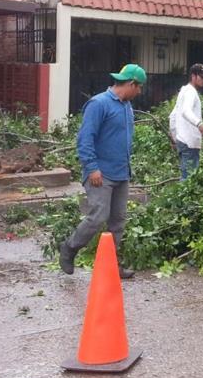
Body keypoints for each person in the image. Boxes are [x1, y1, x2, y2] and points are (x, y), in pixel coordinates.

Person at [59, 63, 145, 279]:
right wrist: (92, 168)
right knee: (98, 217)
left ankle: (111, 267)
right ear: (131, 84)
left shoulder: (126, 106)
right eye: (139, 87)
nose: (140, 92)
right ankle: (70, 248)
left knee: (118, 221)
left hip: (121, 173)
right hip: (101, 174)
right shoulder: (99, 104)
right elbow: (85, 138)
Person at [169, 63, 203, 180]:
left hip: (183, 141)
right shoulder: (191, 92)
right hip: (190, 143)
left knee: (186, 177)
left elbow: (172, 116)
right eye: (201, 77)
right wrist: (200, 124)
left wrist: (174, 137)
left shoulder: (184, 91)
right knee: (189, 181)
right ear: (193, 76)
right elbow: (185, 111)